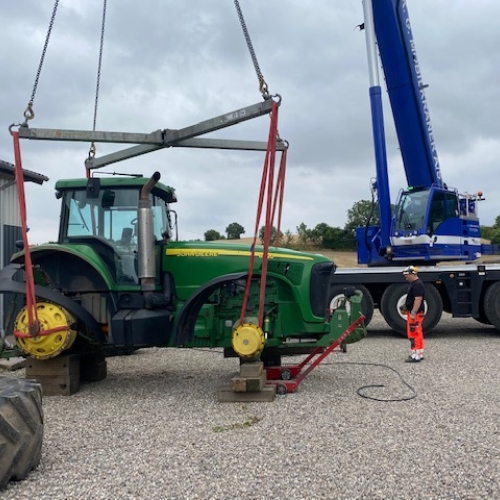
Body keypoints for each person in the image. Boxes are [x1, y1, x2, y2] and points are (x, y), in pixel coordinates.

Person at [402, 265, 425, 362]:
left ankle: (415, 355)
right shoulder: (416, 284)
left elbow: (418, 299)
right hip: (416, 313)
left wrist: (413, 312)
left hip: (415, 314)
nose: (406, 278)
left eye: (407, 276)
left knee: (413, 333)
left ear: (412, 274)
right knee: (418, 332)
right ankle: (419, 353)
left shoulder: (417, 284)